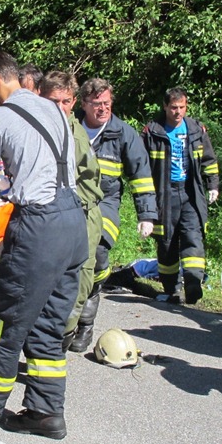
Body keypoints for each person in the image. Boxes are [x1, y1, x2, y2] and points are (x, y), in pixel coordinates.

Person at [0, 49, 87, 440]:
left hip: (39, 227)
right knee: (50, 324)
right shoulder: (54, 110)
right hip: (74, 222)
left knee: (7, 320)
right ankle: (46, 411)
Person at [69, 77, 156, 350]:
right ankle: (61, 322)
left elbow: (141, 174)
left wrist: (146, 215)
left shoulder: (123, 133)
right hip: (70, 201)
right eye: (97, 104)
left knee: (98, 253)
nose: (103, 109)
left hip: (104, 203)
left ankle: (85, 323)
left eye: (107, 103)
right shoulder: (69, 126)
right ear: (84, 104)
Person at [39, 71, 103, 349]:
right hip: (55, 216)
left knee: (77, 282)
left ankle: (60, 339)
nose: (60, 108)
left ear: (74, 102)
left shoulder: (73, 134)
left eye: (66, 102)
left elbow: (86, 182)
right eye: (54, 101)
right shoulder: (41, 128)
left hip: (82, 215)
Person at [142, 87, 219, 305]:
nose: (178, 112)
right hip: (164, 194)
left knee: (193, 236)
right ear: (165, 106)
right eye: (174, 107)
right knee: (166, 242)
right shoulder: (152, 132)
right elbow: (141, 164)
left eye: (182, 107)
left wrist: (213, 185)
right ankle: (172, 289)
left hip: (190, 192)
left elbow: (209, 160)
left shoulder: (196, 130)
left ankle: (193, 283)